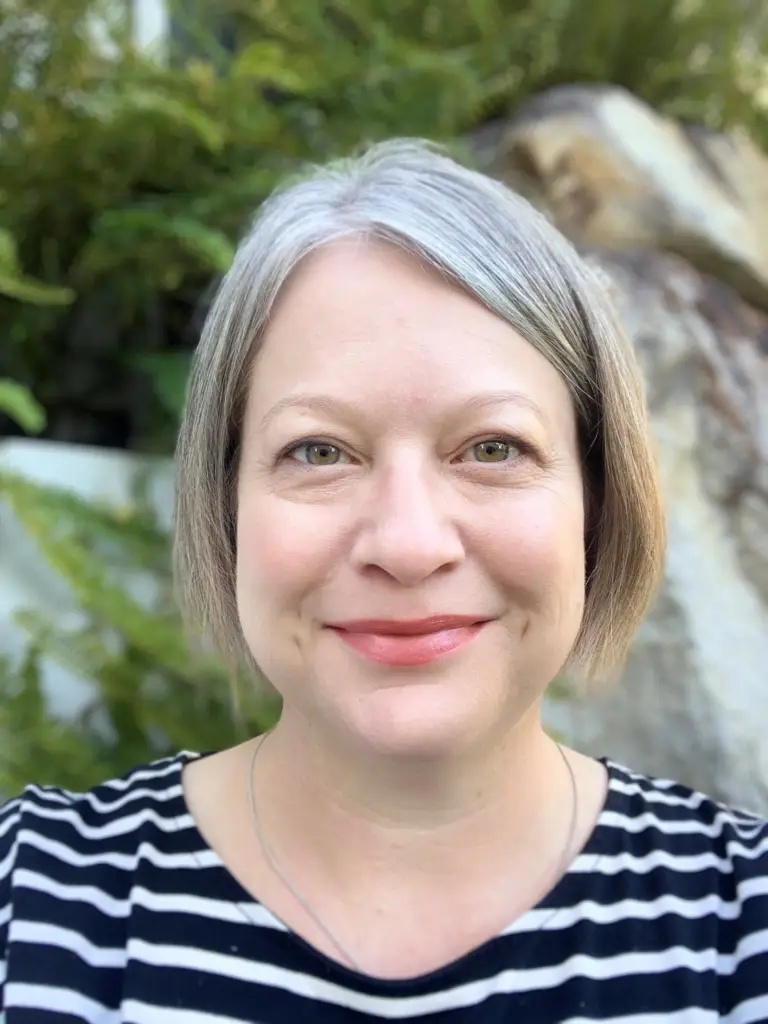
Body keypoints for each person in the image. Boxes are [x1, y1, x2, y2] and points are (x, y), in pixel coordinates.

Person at [1, 138, 766, 1024]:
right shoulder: (35, 906)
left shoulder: (739, 929)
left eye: (492, 449)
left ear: (598, 502)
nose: (406, 544)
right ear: (225, 503)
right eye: (319, 451)